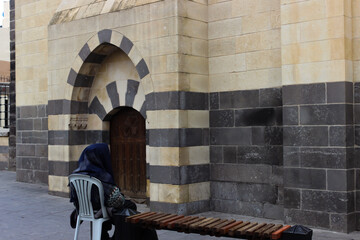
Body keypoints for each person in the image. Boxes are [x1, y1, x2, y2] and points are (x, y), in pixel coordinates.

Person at [69, 143, 158, 240]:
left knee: (119, 209)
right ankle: (118, 236)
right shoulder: (100, 177)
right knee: (129, 206)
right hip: (101, 210)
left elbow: (74, 198)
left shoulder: (75, 175)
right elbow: (117, 201)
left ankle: (104, 235)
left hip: (85, 210)